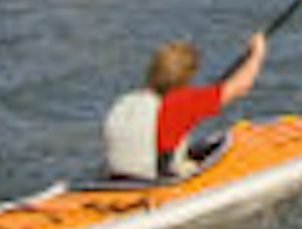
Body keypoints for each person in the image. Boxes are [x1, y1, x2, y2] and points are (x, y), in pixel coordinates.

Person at [100, 31, 265, 182]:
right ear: (187, 76)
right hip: (156, 184)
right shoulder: (182, 102)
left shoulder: (125, 102)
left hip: (115, 181)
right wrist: (257, 52)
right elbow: (242, 85)